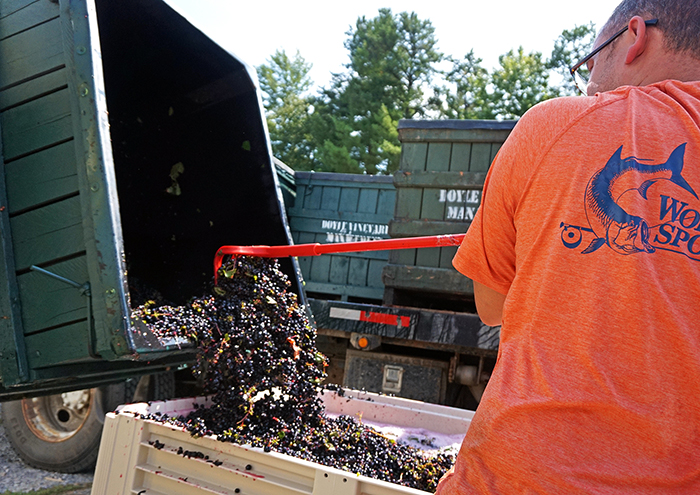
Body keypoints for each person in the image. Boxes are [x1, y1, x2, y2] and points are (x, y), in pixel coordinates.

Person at [436, 0, 700, 493]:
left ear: (635, 36)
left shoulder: (556, 126)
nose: (589, 80)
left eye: (592, 59)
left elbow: (491, 305)